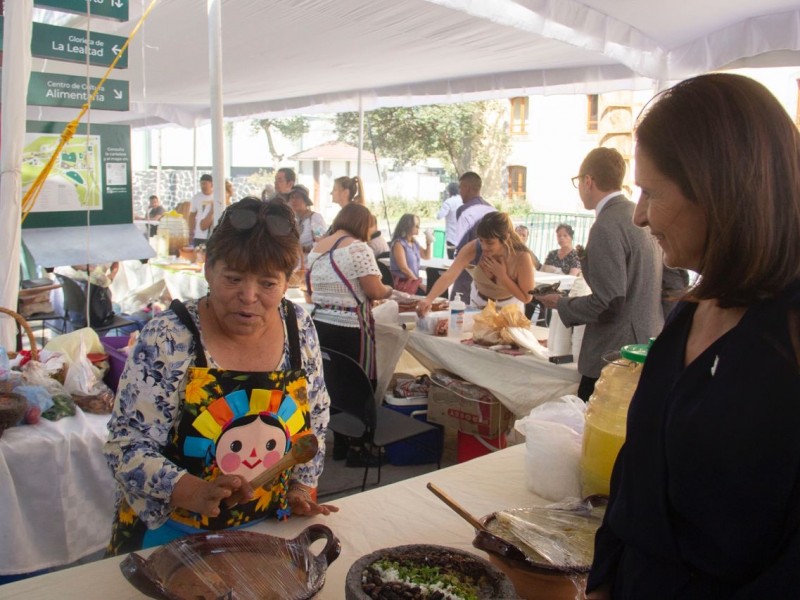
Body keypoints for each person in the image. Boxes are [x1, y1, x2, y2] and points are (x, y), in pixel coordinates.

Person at [586, 73, 800, 599]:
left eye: (651, 192)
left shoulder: (789, 335)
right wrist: (603, 579)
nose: (639, 214)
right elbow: (637, 471)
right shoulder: (691, 310)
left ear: (719, 189)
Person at [103, 197, 338, 555]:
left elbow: (315, 421)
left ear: (287, 281)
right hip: (169, 537)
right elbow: (125, 448)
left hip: (268, 532)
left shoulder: (298, 326)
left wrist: (300, 488)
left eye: (268, 284)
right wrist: (192, 491)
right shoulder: (170, 337)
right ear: (208, 269)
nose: (248, 296)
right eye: (233, 278)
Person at [535, 147, 663, 402]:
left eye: (579, 182)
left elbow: (610, 302)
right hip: (647, 344)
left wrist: (561, 304)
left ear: (588, 181)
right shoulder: (639, 215)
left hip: (615, 354)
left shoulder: (607, 224)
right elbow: (671, 283)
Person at [305, 203, 393, 464]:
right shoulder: (357, 248)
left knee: (334, 385)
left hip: (321, 323)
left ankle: (340, 444)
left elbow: (309, 287)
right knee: (361, 384)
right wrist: (389, 290)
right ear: (362, 223)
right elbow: (375, 291)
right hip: (351, 327)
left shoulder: (317, 248)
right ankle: (360, 449)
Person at [416, 211, 535, 316]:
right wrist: (429, 299)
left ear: (505, 238)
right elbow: (450, 274)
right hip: (478, 305)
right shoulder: (474, 247)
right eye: (481, 240)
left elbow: (526, 297)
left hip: (510, 310)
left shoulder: (522, 256)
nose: (484, 247)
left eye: (490, 243)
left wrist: (502, 276)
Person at [451, 171, 496, 299]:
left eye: (460, 187)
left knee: (458, 307)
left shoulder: (464, 210)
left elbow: (462, 245)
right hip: (489, 269)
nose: (459, 191)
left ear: (467, 188)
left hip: (468, 268)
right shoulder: (493, 210)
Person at [389, 213, 433, 294]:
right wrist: (420, 284)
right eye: (416, 226)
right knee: (429, 293)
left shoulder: (413, 242)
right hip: (403, 284)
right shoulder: (399, 244)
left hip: (413, 281)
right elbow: (404, 269)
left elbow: (426, 256)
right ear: (408, 226)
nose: (418, 228)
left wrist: (428, 243)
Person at [288, 184, 327, 267]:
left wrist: (303, 249)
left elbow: (322, 242)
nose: (294, 200)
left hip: (310, 267)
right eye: (291, 197)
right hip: (293, 267)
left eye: (297, 197)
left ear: (305, 201)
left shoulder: (315, 218)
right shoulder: (290, 220)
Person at [187, 173, 214, 246]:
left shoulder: (216, 197)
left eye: (205, 184)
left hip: (212, 234)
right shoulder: (196, 197)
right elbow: (192, 215)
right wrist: (191, 232)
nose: (203, 186)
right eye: (201, 184)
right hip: (199, 235)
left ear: (211, 184)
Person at [437, 182, 462, 258]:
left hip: (451, 237)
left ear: (449, 191)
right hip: (462, 236)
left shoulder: (448, 202)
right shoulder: (463, 200)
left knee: (450, 260)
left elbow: (439, 216)